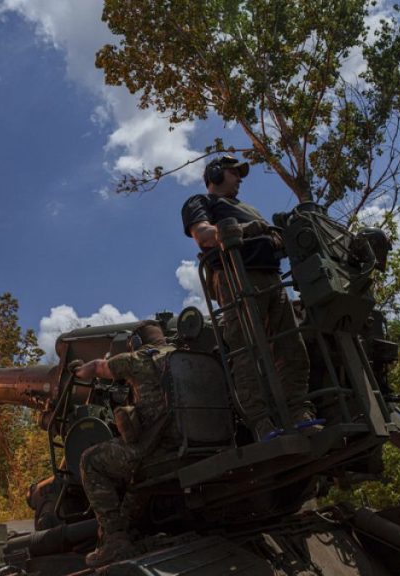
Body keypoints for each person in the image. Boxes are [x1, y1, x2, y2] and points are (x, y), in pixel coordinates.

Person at [181, 155, 312, 441]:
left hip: (272, 278)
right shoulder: (200, 202)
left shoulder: (249, 208)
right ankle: (261, 421)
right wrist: (240, 230)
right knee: (247, 351)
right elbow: (203, 235)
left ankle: (298, 412)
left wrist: (278, 238)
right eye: (234, 173)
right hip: (236, 277)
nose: (239, 179)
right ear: (216, 174)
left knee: (291, 345)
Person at [73, 321, 177, 567]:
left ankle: (114, 541)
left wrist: (77, 371)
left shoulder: (140, 359)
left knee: (90, 460)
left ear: (138, 343)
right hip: (189, 444)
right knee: (134, 477)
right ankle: (134, 528)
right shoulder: (181, 355)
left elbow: (97, 367)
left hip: (159, 448)